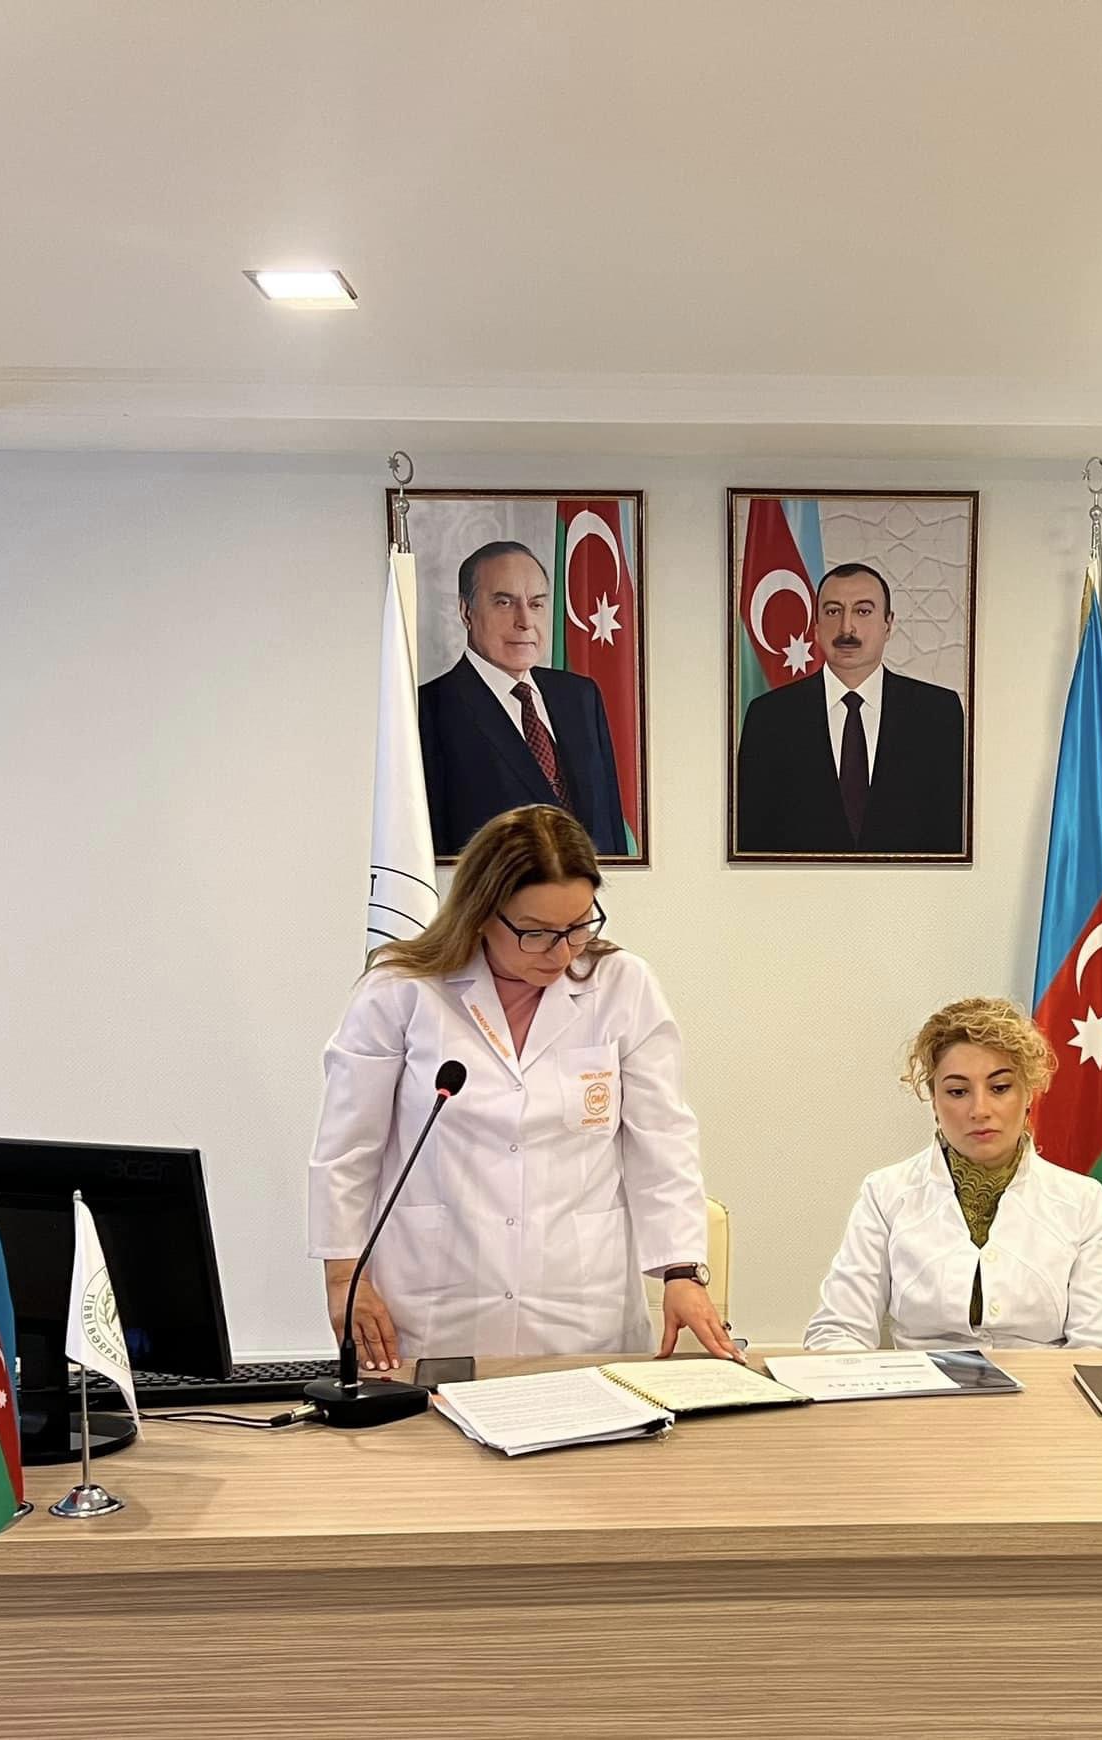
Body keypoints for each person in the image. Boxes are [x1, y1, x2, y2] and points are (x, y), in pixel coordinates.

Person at [308, 804, 732, 1369]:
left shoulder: (622, 986)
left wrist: (681, 1272)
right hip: (435, 1301)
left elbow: (662, 1138)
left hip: (582, 1304)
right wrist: (343, 1278)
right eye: (536, 933)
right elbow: (346, 1148)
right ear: (482, 912)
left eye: (578, 926)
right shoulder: (401, 989)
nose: (562, 953)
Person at [804, 997, 1102, 1349]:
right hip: (920, 1384)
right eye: (958, 1092)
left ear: (1028, 1095)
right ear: (934, 1100)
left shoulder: (1082, 1201)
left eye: (1000, 1088)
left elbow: (1100, 1346)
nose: (979, 1110)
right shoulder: (885, 1194)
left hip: (1046, 1383)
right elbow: (837, 1332)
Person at [734, 562, 966, 855]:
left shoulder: (939, 714)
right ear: (816, 626)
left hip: (908, 885)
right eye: (833, 612)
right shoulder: (768, 717)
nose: (846, 628)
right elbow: (750, 839)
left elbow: (951, 832)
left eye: (863, 611)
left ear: (888, 624)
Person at [418, 540, 628, 858]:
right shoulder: (428, 710)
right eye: (504, 603)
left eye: (536, 604)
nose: (525, 621)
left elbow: (610, 828)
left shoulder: (580, 696)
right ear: (466, 611)